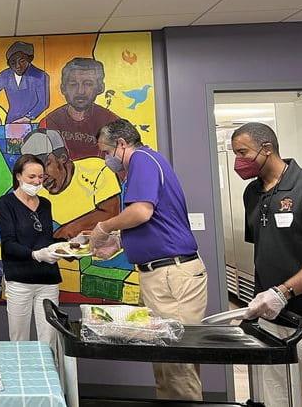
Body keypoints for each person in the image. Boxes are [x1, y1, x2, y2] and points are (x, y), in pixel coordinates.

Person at [91, 119, 207, 401]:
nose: (105, 159)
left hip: (171, 275)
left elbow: (141, 212)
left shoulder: (142, 159)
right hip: (161, 274)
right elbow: (154, 221)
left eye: (105, 152)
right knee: (164, 361)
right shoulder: (146, 164)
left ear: (121, 145)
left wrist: (104, 228)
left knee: (177, 365)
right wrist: (119, 242)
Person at [231, 122, 302, 407]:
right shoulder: (252, 194)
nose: (239, 161)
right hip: (272, 320)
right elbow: (266, 252)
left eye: (243, 152)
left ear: (267, 149)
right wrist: (259, 303)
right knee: (278, 399)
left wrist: (284, 292)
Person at [0, 154, 61, 346]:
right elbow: (8, 244)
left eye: (41, 177)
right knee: (19, 339)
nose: (37, 181)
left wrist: (70, 244)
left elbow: (46, 239)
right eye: (32, 177)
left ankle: (48, 375)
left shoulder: (46, 204)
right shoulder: (6, 203)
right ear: (18, 176)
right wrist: (34, 255)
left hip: (48, 280)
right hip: (19, 281)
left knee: (50, 339)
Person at [21, 129, 121, 241]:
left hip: (105, 253)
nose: (41, 177)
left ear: (62, 157)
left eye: (45, 165)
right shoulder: (35, 193)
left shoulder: (97, 169)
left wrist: (66, 232)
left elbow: (111, 214)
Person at [40, 58, 119, 160]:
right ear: (63, 88)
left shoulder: (111, 122)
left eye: (88, 84)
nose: (80, 91)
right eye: (73, 84)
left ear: (100, 88)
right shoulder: (49, 123)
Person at [0, 41, 50, 125]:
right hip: (10, 122)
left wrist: (27, 118)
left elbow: (43, 102)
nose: (17, 66)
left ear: (29, 59)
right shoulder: (6, 75)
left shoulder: (40, 76)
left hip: (32, 123)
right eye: (13, 63)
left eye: (21, 61)